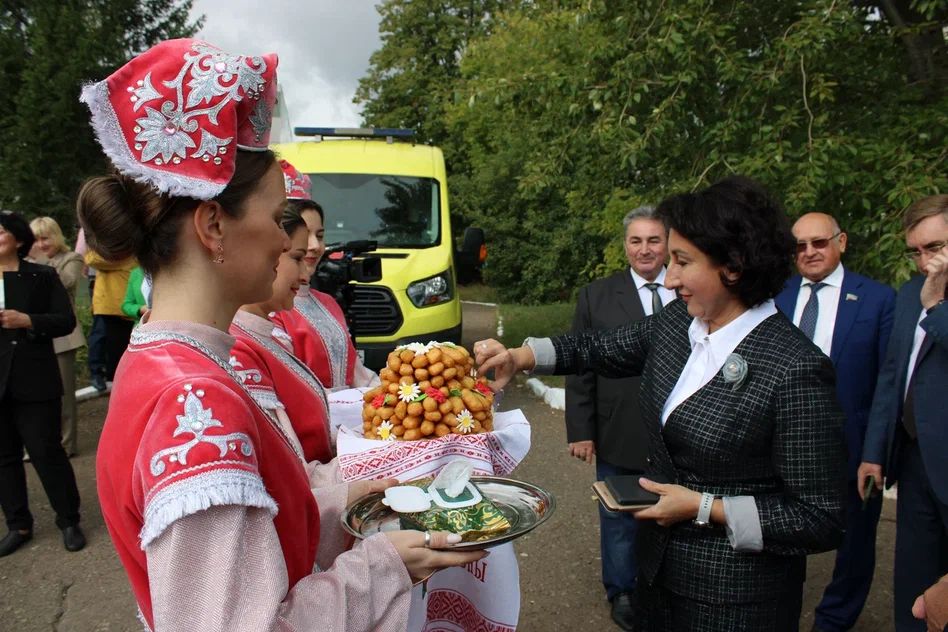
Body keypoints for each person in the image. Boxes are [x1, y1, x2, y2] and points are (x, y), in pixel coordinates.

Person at [78, 38, 484, 630]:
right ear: (213, 225)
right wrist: (383, 565)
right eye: (274, 218)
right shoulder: (197, 403)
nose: (286, 242)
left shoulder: (171, 362)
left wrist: (357, 485)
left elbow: (265, 511)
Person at [476, 176, 847, 631]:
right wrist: (521, 355)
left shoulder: (794, 368)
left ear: (733, 265)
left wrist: (704, 507)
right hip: (656, 582)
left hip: (735, 604)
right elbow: (601, 347)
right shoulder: (681, 323)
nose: (669, 278)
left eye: (682, 262)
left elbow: (819, 518)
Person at [775, 212, 896, 632]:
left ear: (841, 242)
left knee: (856, 546)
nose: (809, 252)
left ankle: (834, 620)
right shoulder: (776, 296)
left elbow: (888, 381)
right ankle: (779, 612)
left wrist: (876, 451)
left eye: (819, 242)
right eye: (800, 246)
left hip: (854, 448)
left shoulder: (879, 299)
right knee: (781, 536)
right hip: (783, 444)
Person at [565, 204, 675, 630]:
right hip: (619, 425)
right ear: (625, 245)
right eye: (636, 241)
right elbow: (581, 363)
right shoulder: (597, 295)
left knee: (670, 511)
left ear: (667, 245)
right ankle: (622, 591)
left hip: (676, 429)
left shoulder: (689, 289)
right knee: (618, 517)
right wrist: (581, 429)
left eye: (654, 240)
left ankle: (666, 585)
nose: (645, 250)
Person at [859, 194, 948, 632]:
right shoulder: (911, 292)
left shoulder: (928, 297)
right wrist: (874, 451)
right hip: (912, 462)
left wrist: (938, 308)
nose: (923, 260)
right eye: (915, 251)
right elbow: (893, 375)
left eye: (934, 247)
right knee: (914, 582)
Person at [0, 211, 85, 557]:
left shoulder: (41, 276)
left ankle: (68, 520)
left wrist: (27, 320)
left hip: (34, 378)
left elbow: (65, 321)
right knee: (4, 457)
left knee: (45, 451)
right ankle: (18, 524)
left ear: (18, 240)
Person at [230, 204, 334, 464]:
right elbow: (287, 468)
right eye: (297, 258)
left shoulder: (266, 336)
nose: (304, 273)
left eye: (320, 236)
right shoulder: (239, 348)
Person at [270, 160, 380, 390]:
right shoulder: (267, 309)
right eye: (303, 238)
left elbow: (358, 374)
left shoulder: (328, 303)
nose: (313, 246)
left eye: (319, 235)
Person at [29, 216, 87, 456]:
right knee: (36, 396)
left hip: (63, 337)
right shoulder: (24, 264)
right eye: (36, 240)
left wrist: (39, 262)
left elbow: (68, 282)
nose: (42, 244)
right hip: (34, 335)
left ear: (56, 236)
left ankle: (66, 444)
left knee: (64, 396)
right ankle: (41, 444)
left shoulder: (71, 258)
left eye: (45, 238)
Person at [83, 248, 135, 389]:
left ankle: (115, 374)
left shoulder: (130, 254)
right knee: (100, 338)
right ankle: (97, 373)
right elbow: (91, 258)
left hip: (127, 304)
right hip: (106, 305)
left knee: (122, 344)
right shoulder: (129, 254)